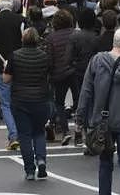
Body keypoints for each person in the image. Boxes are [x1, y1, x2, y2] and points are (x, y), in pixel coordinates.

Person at [4, 27, 51, 180]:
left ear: (23, 39)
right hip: (40, 99)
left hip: (20, 100)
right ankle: (41, 159)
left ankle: (30, 170)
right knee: (39, 132)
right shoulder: (44, 56)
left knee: (24, 135)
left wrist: (7, 67)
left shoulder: (15, 56)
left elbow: (6, 79)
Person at [0, 0, 25, 150]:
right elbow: (26, 40)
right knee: (20, 101)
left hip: (1, 66)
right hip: (20, 65)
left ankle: (14, 135)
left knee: (6, 104)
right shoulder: (21, 21)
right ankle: (23, 133)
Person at [46, 8, 78, 145]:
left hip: (58, 73)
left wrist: (49, 73)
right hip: (74, 71)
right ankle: (79, 129)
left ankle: (65, 131)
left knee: (59, 102)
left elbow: (49, 59)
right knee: (78, 101)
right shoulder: (76, 34)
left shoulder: (51, 38)